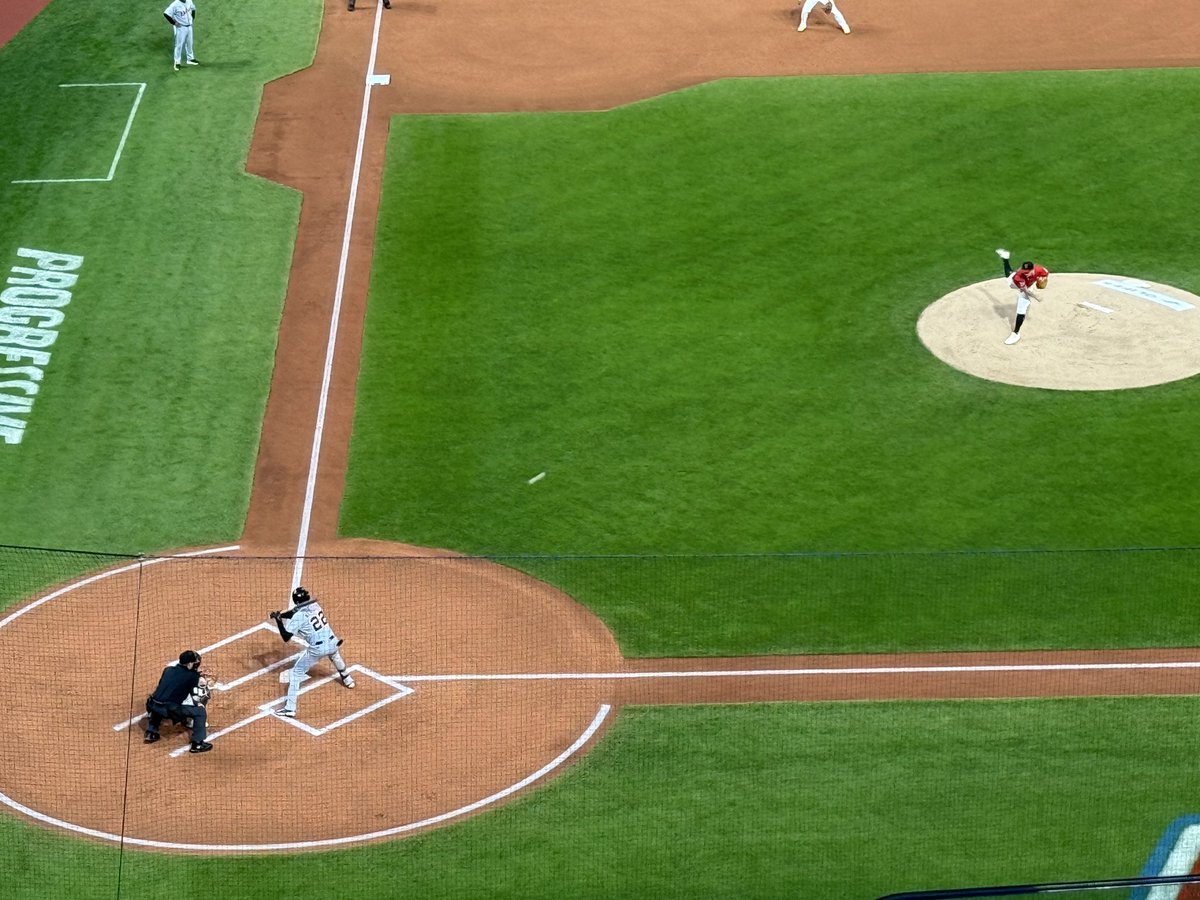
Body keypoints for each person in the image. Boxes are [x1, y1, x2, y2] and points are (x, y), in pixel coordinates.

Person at [270, 586, 355, 717]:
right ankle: (347, 679)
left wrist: (278, 620)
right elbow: (294, 612)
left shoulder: (298, 617)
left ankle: (290, 708)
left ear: (296, 601)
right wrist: (281, 614)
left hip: (318, 649)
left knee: (297, 672)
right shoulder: (315, 605)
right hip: (333, 642)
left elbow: (286, 637)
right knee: (334, 655)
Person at [145, 649, 213, 753]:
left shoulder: (168, 670)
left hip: (152, 704)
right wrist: (203, 683)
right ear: (190, 664)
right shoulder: (193, 677)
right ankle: (198, 744)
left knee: (160, 701)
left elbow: (165, 684)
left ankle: (151, 732)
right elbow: (194, 695)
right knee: (200, 712)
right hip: (169, 710)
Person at [996, 249, 1050, 345]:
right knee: (1009, 276)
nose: (1025, 273)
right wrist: (1036, 296)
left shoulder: (1040, 270)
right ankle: (1005, 258)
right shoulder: (1018, 277)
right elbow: (1025, 290)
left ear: (1033, 269)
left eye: (1027, 272)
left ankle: (1015, 333)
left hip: (1028, 285)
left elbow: (1046, 274)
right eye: (1024, 271)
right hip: (1017, 285)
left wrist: (1043, 279)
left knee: (1022, 308)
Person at [163, 0, 198, 72]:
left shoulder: (189, 1)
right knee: (179, 45)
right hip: (180, 28)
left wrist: (192, 19)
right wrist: (174, 23)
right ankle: (177, 62)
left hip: (189, 26)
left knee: (189, 43)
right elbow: (166, 13)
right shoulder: (175, 5)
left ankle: (190, 59)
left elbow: (193, 9)